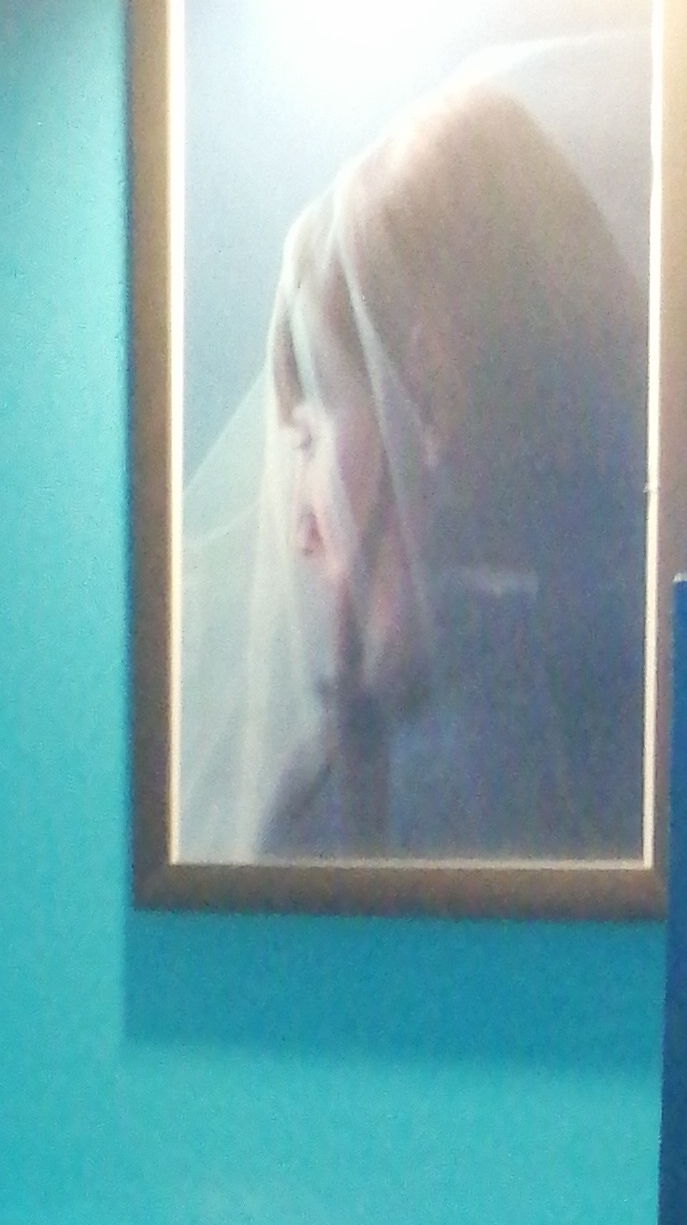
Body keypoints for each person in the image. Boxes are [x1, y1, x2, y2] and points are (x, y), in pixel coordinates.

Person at [177, 73, 650, 864]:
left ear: (427, 394)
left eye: (310, 439)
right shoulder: (658, 711)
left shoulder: (383, 794)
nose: (299, 530)